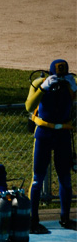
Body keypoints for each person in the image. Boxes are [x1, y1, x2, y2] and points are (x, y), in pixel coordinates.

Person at [24, 58, 77, 233]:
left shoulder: (71, 84)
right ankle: (33, 220)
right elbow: (29, 106)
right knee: (38, 178)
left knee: (65, 177)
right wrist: (42, 88)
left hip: (63, 134)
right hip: (44, 133)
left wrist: (74, 87)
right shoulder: (39, 82)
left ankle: (65, 217)